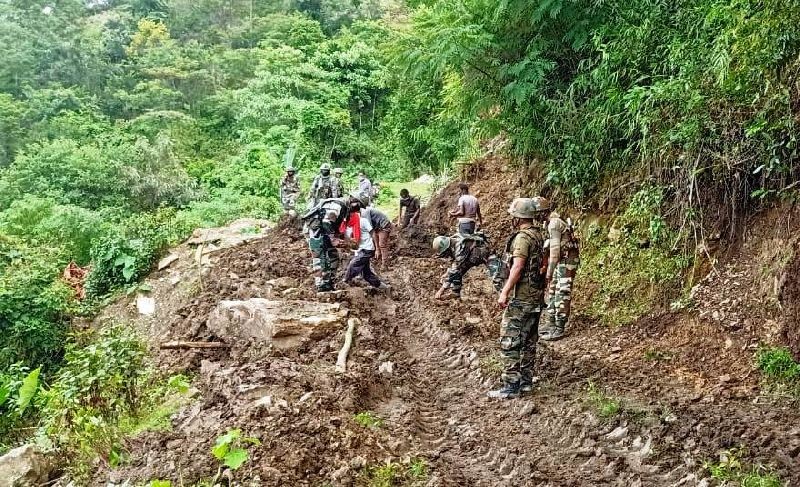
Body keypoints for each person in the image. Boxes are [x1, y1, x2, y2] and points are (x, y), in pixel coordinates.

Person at [488, 197, 549, 400]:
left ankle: (511, 385)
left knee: (510, 339)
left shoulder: (522, 238)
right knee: (530, 340)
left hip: (521, 298)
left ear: (517, 217)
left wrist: (505, 291)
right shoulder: (539, 235)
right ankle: (526, 382)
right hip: (536, 296)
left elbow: (517, 266)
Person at [302, 193, 365, 292]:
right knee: (319, 255)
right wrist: (333, 239)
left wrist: (346, 241)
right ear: (353, 202)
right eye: (358, 206)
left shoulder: (345, 209)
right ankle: (320, 285)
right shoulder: (337, 206)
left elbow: (336, 227)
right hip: (315, 231)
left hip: (324, 232)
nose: (358, 210)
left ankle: (329, 282)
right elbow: (326, 223)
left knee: (333, 255)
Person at [540, 211, 580, 341]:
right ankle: (551, 322)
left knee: (562, 291)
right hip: (562, 260)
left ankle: (559, 327)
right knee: (553, 290)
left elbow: (555, 251)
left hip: (567, 260)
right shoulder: (552, 222)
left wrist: (549, 272)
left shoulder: (554, 224)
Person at [343, 193, 389, 289]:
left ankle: (345, 281)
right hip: (360, 250)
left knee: (353, 264)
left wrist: (377, 249)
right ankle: (383, 287)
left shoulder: (363, 220)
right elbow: (348, 239)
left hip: (367, 249)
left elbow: (373, 233)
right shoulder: (347, 225)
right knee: (366, 274)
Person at [432, 232, 490, 300]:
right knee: (456, 270)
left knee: (457, 272)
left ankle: (455, 292)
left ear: (447, 249)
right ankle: (455, 292)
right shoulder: (454, 237)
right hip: (470, 254)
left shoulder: (459, 251)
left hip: (482, 254)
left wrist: (441, 290)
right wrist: (447, 273)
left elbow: (454, 271)